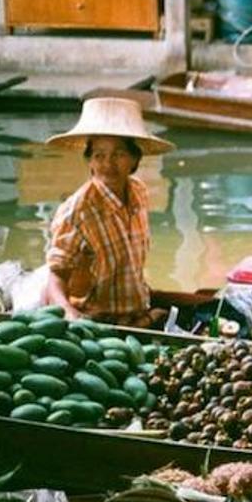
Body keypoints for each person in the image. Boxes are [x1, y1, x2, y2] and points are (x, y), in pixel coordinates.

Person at [42, 97, 175, 328]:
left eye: (118, 154)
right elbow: (56, 278)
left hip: (137, 316)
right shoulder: (77, 210)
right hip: (96, 324)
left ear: (134, 159)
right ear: (90, 161)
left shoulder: (139, 192)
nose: (108, 164)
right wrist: (71, 316)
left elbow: (131, 263)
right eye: (99, 155)